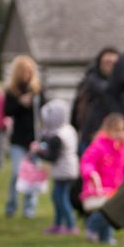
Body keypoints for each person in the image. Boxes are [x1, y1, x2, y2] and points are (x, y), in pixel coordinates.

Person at [80, 113, 124, 244]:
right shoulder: (99, 146)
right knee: (106, 212)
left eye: (123, 129)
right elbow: (87, 161)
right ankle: (92, 227)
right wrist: (90, 172)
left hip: (116, 187)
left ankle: (105, 237)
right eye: (117, 130)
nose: (121, 133)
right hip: (100, 188)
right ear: (107, 130)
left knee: (111, 212)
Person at [3, 55, 45, 218]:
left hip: (34, 140)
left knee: (33, 176)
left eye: (30, 71)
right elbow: (6, 111)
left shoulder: (37, 90)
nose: (27, 74)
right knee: (16, 173)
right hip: (18, 140)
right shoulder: (12, 91)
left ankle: (29, 209)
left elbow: (44, 111)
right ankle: (11, 206)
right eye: (24, 71)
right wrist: (20, 103)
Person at [34, 99, 79, 235]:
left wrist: (38, 152)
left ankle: (70, 226)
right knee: (57, 197)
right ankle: (58, 224)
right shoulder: (68, 129)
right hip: (70, 169)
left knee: (60, 198)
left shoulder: (57, 136)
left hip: (64, 171)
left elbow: (52, 157)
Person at [73, 46, 119, 152]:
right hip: (91, 133)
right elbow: (77, 108)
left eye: (114, 64)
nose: (110, 66)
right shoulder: (90, 83)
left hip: (115, 135)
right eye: (107, 63)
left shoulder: (121, 86)